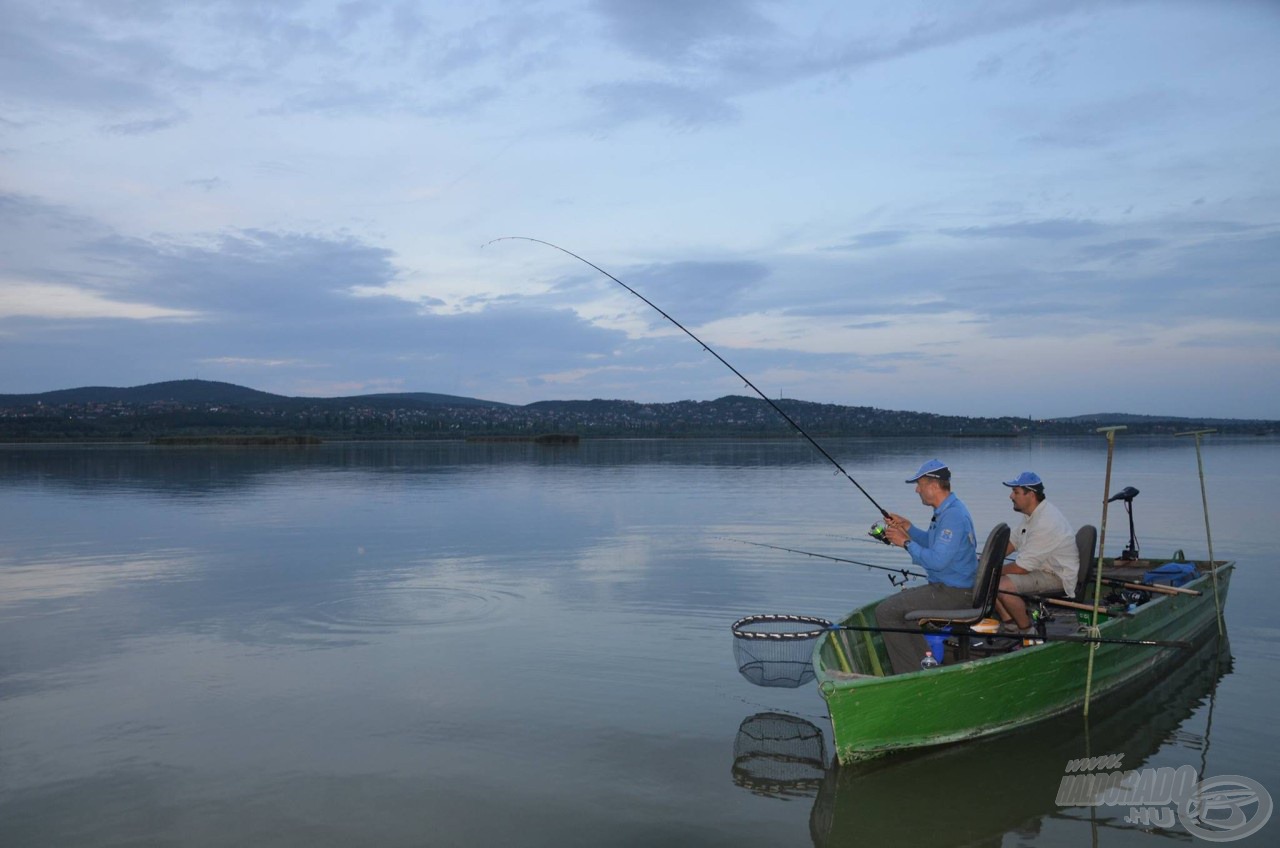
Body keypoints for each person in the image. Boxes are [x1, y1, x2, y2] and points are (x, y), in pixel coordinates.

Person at [876, 459, 978, 674]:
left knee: (885, 612)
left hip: (955, 592)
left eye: (919, 484)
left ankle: (909, 674)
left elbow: (936, 561)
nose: (916, 490)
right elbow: (933, 545)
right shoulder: (948, 510)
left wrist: (904, 542)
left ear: (932, 486)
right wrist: (909, 528)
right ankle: (923, 667)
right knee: (900, 612)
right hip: (951, 587)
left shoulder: (952, 516)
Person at [993, 471, 1079, 636]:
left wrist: (992, 570)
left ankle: (1028, 632)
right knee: (987, 579)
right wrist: (987, 562)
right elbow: (1012, 542)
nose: (1011, 496)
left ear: (1031, 495)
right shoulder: (1032, 515)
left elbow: (1022, 568)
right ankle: (1010, 624)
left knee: (1002, 585)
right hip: (1041, 569)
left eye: (1016, 492)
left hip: (1057, 576)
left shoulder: (1045, 522)